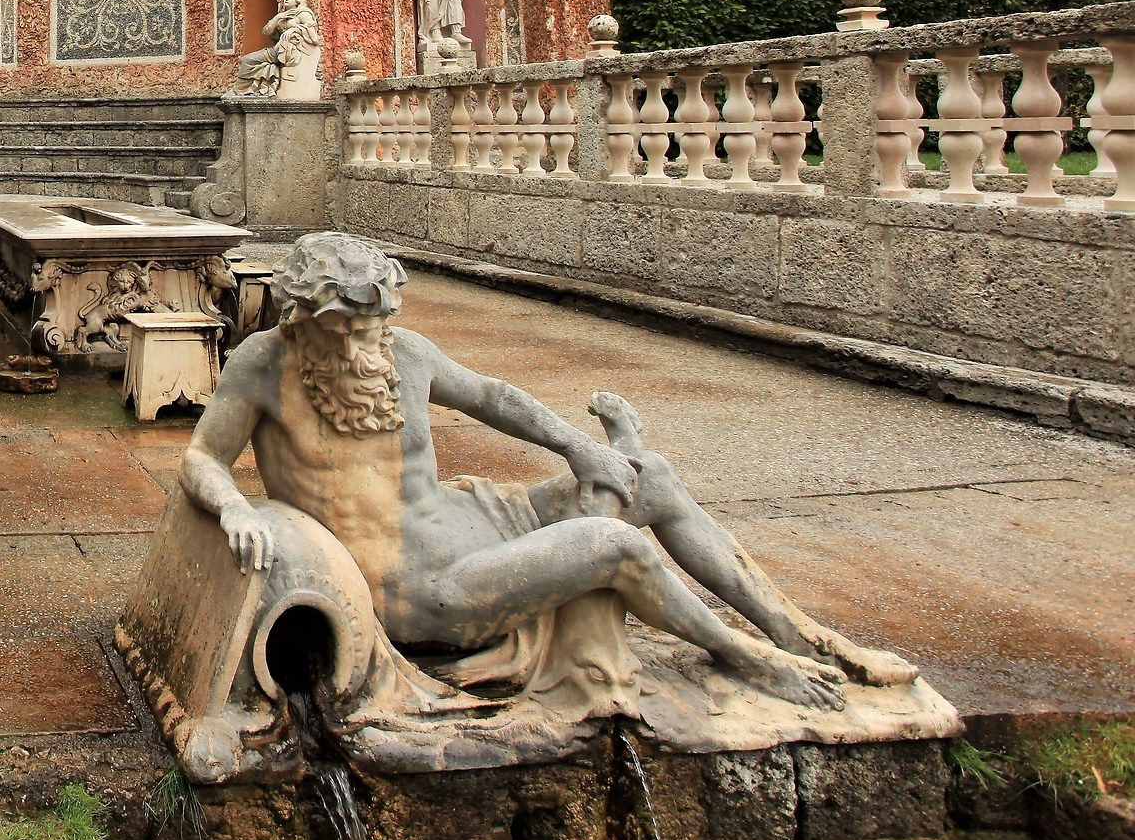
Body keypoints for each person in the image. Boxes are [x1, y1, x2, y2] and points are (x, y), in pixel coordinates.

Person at [179, 233, 916, 712]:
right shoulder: (264, 369)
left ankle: (799, 636)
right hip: (423, 592)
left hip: (477, 525)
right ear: (303, 322)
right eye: (347, 330)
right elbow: (203, 457)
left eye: (377, 325)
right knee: (614, 544)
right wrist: (234, 507)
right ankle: (744, 655)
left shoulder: (403, 353)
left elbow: (494, 397)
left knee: (645, 473)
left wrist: (579, 447)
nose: (366, 346)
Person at [233, 0, 322, 98]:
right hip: (277, 50)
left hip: (288, 52)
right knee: (244, 60)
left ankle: (240, 90)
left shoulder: (303, 13)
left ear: (297, 0)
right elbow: (266, 31)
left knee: (246, 60)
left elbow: (313, 35)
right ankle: (246, 89)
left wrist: (294, 30)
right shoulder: (282, 16)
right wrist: (277, 18)